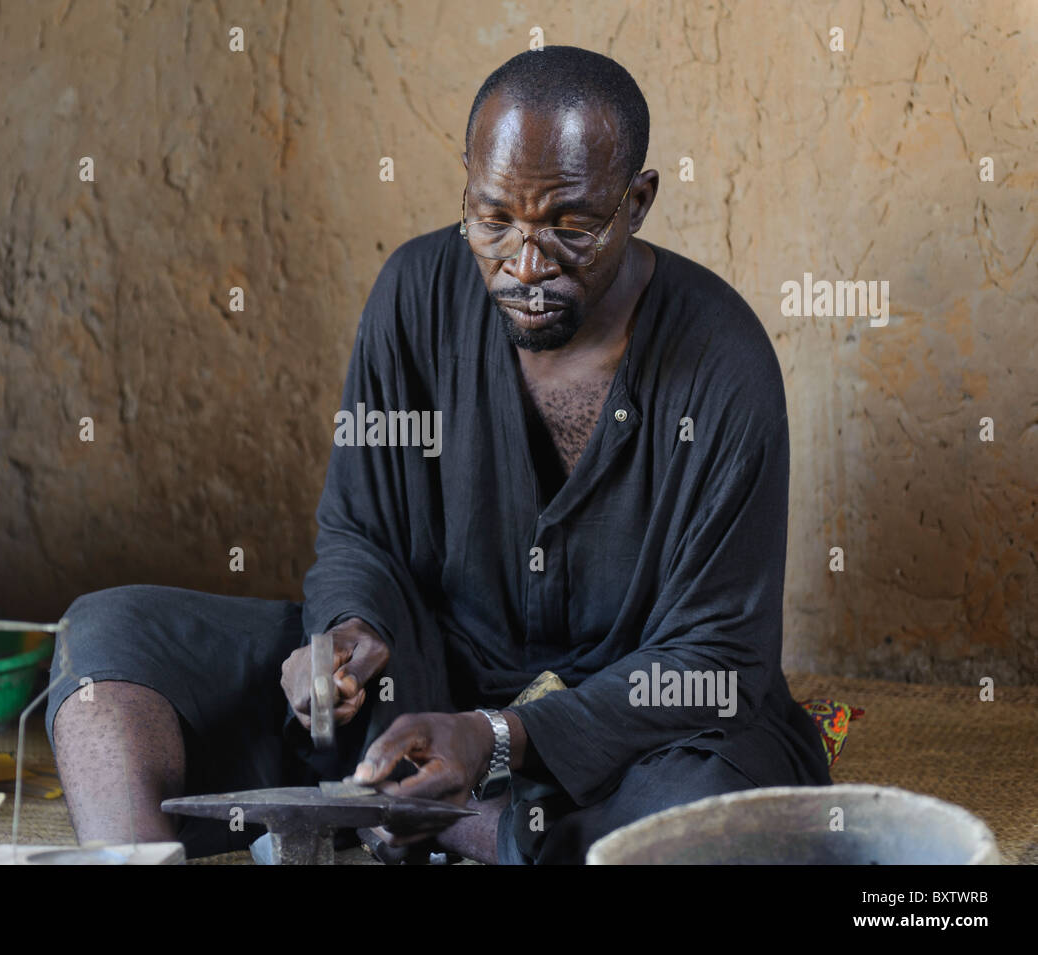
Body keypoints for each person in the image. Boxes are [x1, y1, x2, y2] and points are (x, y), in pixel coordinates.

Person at [45, 46, 831, 865]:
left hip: (624, 733)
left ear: (637, 201)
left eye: (570, 228)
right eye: (494, 221)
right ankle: (152, 857)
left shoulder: (723, 361)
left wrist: (496, 737)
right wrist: (349, 635)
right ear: (467, 184)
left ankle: (435, 822)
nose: (525, 267)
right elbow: (360, 532)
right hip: (420, 701)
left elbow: (716, 661)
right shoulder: (414, 294)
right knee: (109, 637)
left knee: (704, 816)